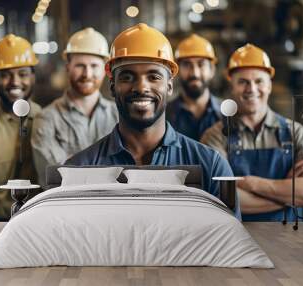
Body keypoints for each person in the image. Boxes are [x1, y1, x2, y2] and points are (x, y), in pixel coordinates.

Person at [66, 23, 240, 219]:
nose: (141, 87)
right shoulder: (79, 170)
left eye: (153, 76)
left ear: (170, 86)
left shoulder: (211, 167)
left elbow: (228, 244)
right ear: (113, 87)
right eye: (127, 77)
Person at [201, 44, 303, 221]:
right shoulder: (215, 136)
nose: (251, 89)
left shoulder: (295, 133)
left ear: (269, 86)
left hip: (290, 240)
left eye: (259, 81)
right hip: (236, 240)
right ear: (232, 86)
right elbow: (224, 198)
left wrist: (251, 184)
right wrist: (288, 197)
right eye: (243, 82)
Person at [31, 27, 118, 185]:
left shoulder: (118, 115)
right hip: (65, 208)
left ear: (106, 70)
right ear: (67, 68)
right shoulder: (46, 119)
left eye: (94, 66)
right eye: (80, 66)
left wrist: (73, 167)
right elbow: (54, 180)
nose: (87, 74)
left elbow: (129, 173)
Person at [0, 34, 42, 221]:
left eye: (23, 74)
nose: (15, 82)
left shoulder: (51, 121)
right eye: (5, 75)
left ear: (33, 76)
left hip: (44, 227)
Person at [166, 34, 222, 141]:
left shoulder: (228, 115)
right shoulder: (164, 115)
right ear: (177, 71)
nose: (194, 73)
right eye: (187, 65)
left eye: (201, 64)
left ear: (212, 70)